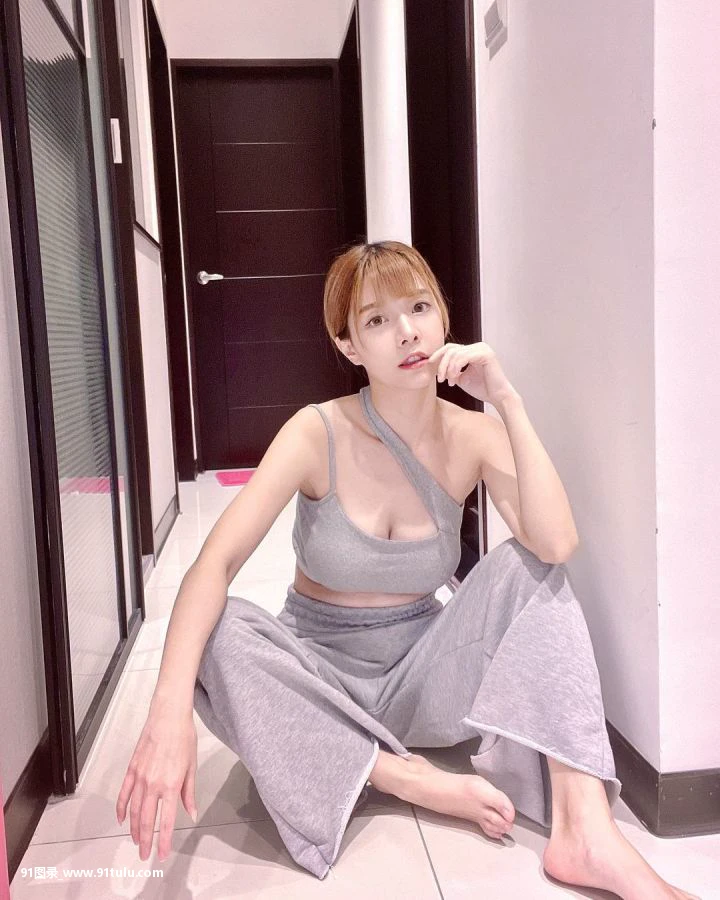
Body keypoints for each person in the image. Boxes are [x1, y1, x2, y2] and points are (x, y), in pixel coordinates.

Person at [116, 241, 697, 899]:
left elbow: (556, 543)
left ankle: (586, 831)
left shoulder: (471, 434)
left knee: (529, 570)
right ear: (349, 346)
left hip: (423, 679)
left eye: (419, 307)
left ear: (443, 317)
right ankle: (401, 776)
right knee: (219, 630)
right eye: (377, 320)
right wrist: (167, 712)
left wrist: (507, 401)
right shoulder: (315, 431)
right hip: (320, 679)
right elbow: (213, 564)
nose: (406, 332)